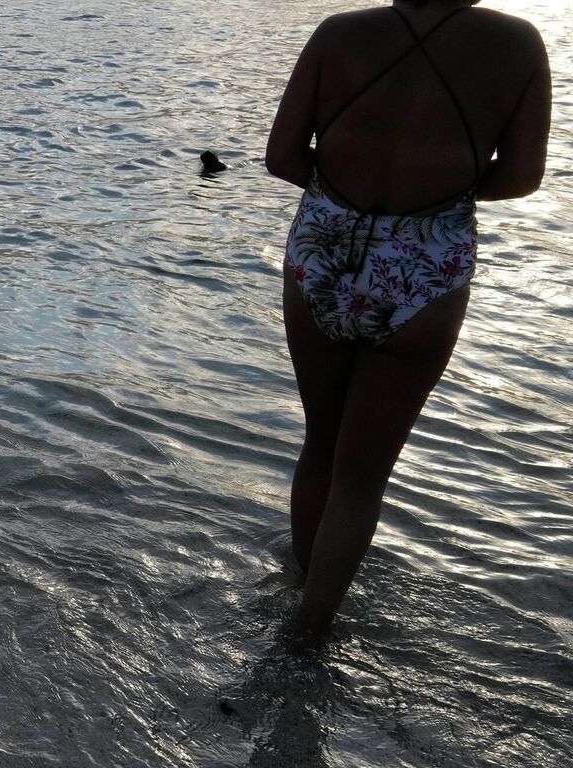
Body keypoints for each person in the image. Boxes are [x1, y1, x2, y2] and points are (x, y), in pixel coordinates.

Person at [265, 0, 549, 638]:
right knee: (361, 476)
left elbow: (282, 157)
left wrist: (344, 193)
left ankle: (297, 590)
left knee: (321, 443)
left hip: (324, 254)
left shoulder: (339, 34)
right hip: (426, 268)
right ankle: (310, 635)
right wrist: (442, 191)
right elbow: (523, 176)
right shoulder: (518, 44)